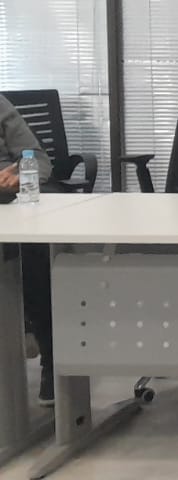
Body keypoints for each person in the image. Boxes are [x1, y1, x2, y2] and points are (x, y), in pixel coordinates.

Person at [1, 93, 56, 406]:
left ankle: (52, 356)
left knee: (35, 248)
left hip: (6, 200)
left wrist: (22, 175)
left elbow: (36, 158)